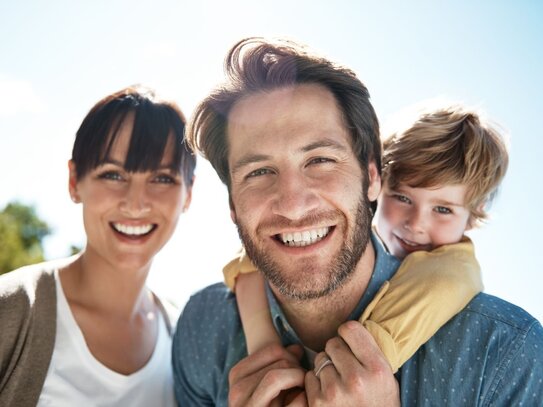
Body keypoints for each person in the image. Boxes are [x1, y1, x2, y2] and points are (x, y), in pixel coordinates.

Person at [172, 37, 543, 406]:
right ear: (232, 204)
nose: (294, 205)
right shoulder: (204, 329)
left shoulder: (504, 354)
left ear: (372, 177)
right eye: (259, 171)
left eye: (319, 160)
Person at [224, 102, 505, 375]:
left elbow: (373, 359)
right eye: (402, 198)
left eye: (443, 209)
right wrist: (264, 345)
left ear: (472, 216)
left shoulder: (453, 273)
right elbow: (247, 263)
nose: (416, 223)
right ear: (376, 184)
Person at [0, 86, 196, 407]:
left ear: (188, 194)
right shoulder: (13, 309)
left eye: (161, 178)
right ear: (74, 181)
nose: (136, 204)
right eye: (113, 175)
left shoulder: (185, 343)